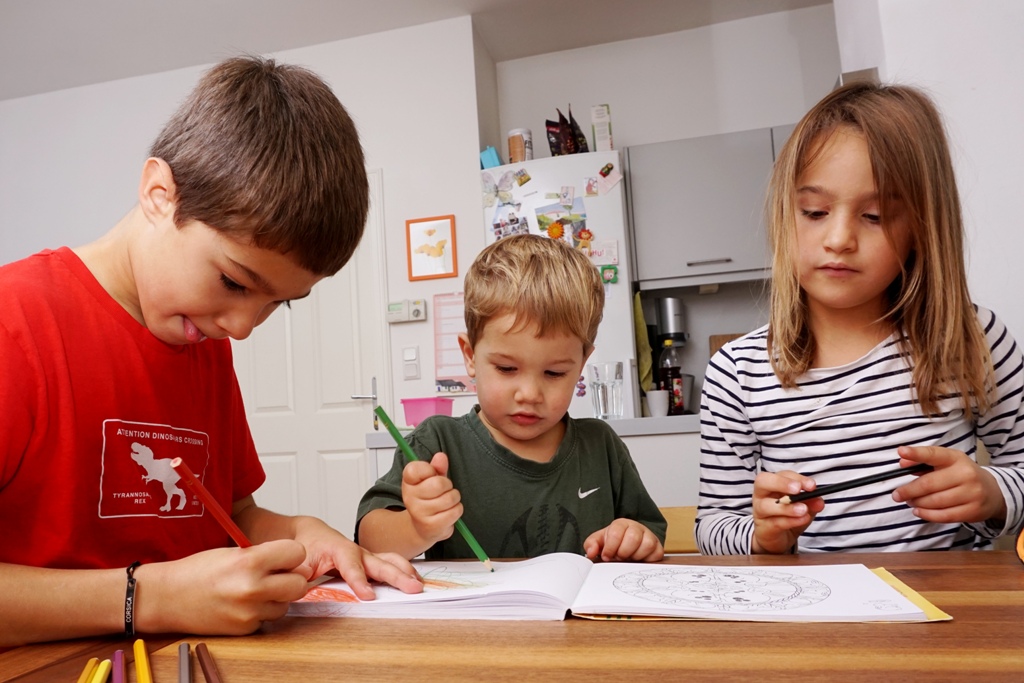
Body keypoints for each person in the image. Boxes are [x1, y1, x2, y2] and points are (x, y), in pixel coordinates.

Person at [0, 55, 423, 648]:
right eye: (233, 281)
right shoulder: (14, 323)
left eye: (281, 302)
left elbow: (229, 517)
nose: (244, 327)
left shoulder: (202, 339)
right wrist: (150, 598)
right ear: (158, 194)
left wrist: (304, 532)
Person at [697, 81, 1024, 555]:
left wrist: (994, 492)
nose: (839, 239)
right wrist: (762, 535)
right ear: (785, 214)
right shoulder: (736, 372)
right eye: (814, 212)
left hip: (947, 614)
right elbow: (712, 528)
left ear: (923, 227)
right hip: (812, 618)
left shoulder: (972, 339)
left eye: (873, 216)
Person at [357, 234, 666, 562]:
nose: (530, 394)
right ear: (470, 356)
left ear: (582, 365)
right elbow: (371, 541)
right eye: (506, 368)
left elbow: (647, 531)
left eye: (554, 373)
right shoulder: (436, 444)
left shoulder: (601, 446)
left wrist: (633, 537)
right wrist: (417, 528)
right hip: (470, 614)